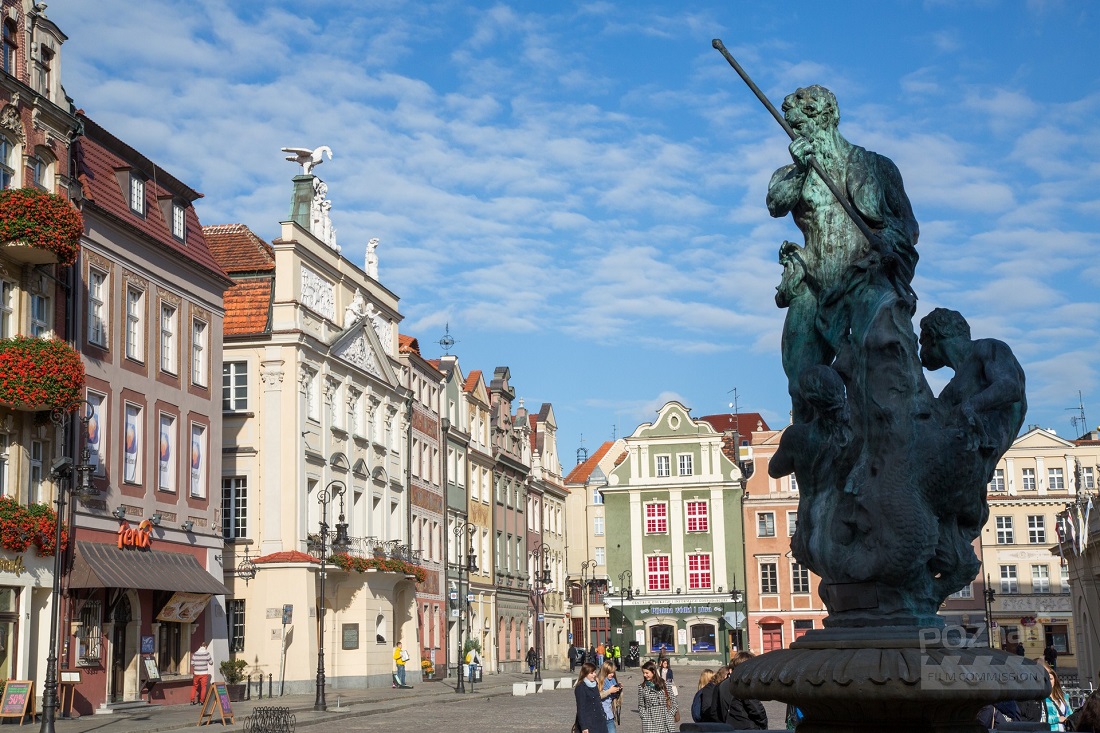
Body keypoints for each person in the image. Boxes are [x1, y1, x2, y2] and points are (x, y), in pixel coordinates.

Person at [766, 85, 919, 424]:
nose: (796, 132)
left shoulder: (876, 166)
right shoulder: (789, 174)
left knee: (876, 380)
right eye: (792, 127)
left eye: (801, 124)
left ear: (826, 117)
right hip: (812, 284)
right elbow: (776, 204)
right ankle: (816, 451)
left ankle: (874, 447)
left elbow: (909, 226)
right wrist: (802, 169)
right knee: (802, 385)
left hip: (864, 281)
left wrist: (886, 242)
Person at [714, 652, 768, 730]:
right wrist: (763, 724)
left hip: (728, 727)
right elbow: (756, 709)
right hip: (746, 727)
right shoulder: (744, 684)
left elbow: (715, 711)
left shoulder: (721, 685)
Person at [638, 660, 677, 733]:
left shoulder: (665, 685)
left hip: (665, 720)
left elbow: (674, 703)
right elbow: (641, 705)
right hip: (650, 721)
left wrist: (670, 715)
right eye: (643, 673)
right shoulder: (642, 687)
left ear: (653, 672)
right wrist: (645, 717)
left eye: (647, 673)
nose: (644, 675)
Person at [574, 662, 609, 733]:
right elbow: (581, 708)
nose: (594, 675)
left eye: (595, 672)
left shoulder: (594, 684)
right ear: (585, 673)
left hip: (600, 721)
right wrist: (584, 727)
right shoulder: (581, 687)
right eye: (591, 673)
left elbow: (598, 702)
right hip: (589, 723)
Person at [1039, 660, 1073, 731]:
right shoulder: (1040, 697)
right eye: (1045, 679)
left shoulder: (1063, 696)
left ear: (1055, 680)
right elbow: (1039, 719)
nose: (1048, 682)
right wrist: (1057, 719)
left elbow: (1070, 713)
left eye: (1051, 679)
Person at [598, 661, 623, 733]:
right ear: (605, 672)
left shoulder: (613, 680)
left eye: (613, 672)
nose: (612, 674)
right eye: (610, 673)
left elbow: (616, 699)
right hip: (599, 715)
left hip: (609, 714)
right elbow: (597, 696)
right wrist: (609, 691)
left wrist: (619, 690)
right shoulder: (598, 681)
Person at [189, 639, 213, 705]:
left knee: (194, 686)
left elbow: (192, 663)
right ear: (205, 646)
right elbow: (211, 662)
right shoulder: (207, 653)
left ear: (200, 646)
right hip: (204, 673)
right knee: (203, 687)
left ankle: (192, 700)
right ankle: (201, 701)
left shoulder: (195, 653)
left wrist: (197, 666)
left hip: (196, 673)